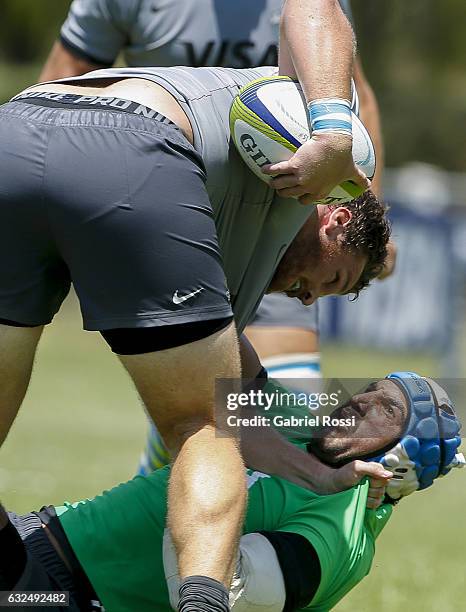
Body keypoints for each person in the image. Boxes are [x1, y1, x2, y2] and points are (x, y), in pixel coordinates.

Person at [0, 51, 389, 611]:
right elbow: (226, 409)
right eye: (328, 278)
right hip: (130, 141)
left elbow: (248, 390)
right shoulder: (311, 177)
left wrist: (320, 444)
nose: (304, 296)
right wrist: (333, 128)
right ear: (337, 217)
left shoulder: (236, 235)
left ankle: (23, 587)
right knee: (203, 428)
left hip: (18, 122)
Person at [37, 0, 387, 472]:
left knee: (289, 424)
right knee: (203, 413)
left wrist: (367, 218)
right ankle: (162, 479)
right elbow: (61, 81)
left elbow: (353, 92)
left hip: (288, 225)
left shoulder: (309, 6)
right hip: (172, 210)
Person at [0, 372, 463, 611]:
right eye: (367, 389)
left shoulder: (340, 537)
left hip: (64, 597)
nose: (358, 400)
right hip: (40, 532)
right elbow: (222, 354)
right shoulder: (299, 422)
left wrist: (204, 478)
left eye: (384, 408)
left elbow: (228, 591)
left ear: (402, 459)